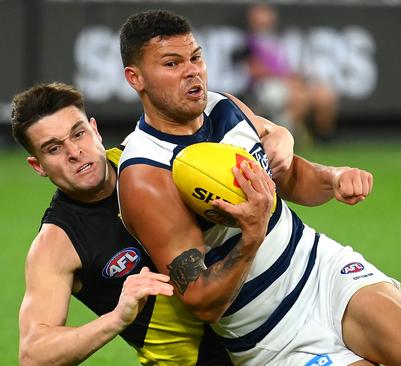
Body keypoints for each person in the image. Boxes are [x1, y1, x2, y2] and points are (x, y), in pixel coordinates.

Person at [117, 9, 401, 366]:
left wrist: (332, 178)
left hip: (322, 271)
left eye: (196, 57)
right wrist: (251, 237)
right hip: (270, 336)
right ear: (135, 78)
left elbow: (289, 175)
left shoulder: (223, 106)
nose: (192, 72)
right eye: (172, 64)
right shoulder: (146, 174)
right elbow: (202, 301)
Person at [11, 82, 292, 365]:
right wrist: (116, 318)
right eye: (54, 148)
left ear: (94, 129)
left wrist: (281, 134)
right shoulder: (57, 242)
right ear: (38, 166)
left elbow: (259, 131)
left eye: (78, 133)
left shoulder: (151, 156)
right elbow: (34, 355)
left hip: (270, 334)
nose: (74, 151)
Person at [244, 3, 339, 144]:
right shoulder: (247, 42)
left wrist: (294, 79)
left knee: (321, 94)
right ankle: (287, 133)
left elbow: (289, 68)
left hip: (282, 83)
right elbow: (254, 70)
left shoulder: (275, 42)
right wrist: (286, 79)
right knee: (299, 95)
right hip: (263, 87)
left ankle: (310, 135)